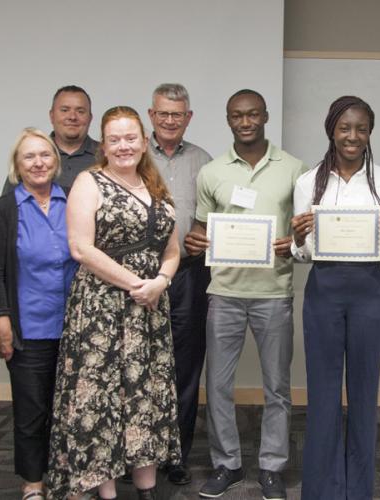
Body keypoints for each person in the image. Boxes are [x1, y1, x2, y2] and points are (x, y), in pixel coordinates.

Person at [46, 106, 181, 500]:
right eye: (114, 139)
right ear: (103, 144)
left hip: (149, 311)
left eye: (130, 137)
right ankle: (105, 492)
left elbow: (171, 249)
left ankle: (146, 489)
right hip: (102, 310)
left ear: (143, 141)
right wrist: (137, 284)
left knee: (146, 396)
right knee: (101, 398)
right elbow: (80, 248)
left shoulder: (156, 187)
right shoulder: (89, 182)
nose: (123, 146)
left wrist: (160, 281)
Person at [185, 89, 307, 500]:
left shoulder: (294, 169)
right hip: (224, 293)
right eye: (237, 115)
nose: (246, 121)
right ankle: (228, 465)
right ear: (228, 120)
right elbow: (202, 229)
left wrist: (292, 242)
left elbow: (306, 234)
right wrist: (195, 242)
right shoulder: (213, 172)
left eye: (253, 114)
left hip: (274, 292)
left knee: (277, 387)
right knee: (218, 385)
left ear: (266, 116)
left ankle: (272, 466)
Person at [290, 96, 380, 499]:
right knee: (321, 393)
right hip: (323, 291)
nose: (352, 136)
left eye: (360, 128)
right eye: (344, 127)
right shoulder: (309, 181)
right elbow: (302, 254)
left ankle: (358, 490)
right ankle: (321, 490)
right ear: (331, 131)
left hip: (370, 292)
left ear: (370, 132)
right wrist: (299, 238)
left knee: (364, 391)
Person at [0, 128, 77, 499]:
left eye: (45, 155)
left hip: (76, 327)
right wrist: (1, 318)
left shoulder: (74, 200)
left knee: (72, 411)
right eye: (29, 156)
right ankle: (33, 483)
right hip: (29, 327)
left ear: (56, 162)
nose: (38, 162)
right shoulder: (4, 208)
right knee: (31, 412)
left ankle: (70, 478)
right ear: (17, 165)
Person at [147, 83, 213, 485]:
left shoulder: (205, 161)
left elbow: (215, 216)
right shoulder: (132, 154)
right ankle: (141, 453)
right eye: (163, 114)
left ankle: (177, 455)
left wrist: (204, 233)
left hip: (190, 274)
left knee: (185, 368)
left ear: (188, 118)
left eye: (178, 114)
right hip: (140, 277)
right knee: (140, 367)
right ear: (151, 116)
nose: (170, 121)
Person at [3, 85, 98, 193]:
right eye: (64, 110)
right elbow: (6, 206)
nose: (72, 117)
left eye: (80, 111)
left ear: (90, 118)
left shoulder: (106, 156)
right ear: (51, 116)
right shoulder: (29, 156)